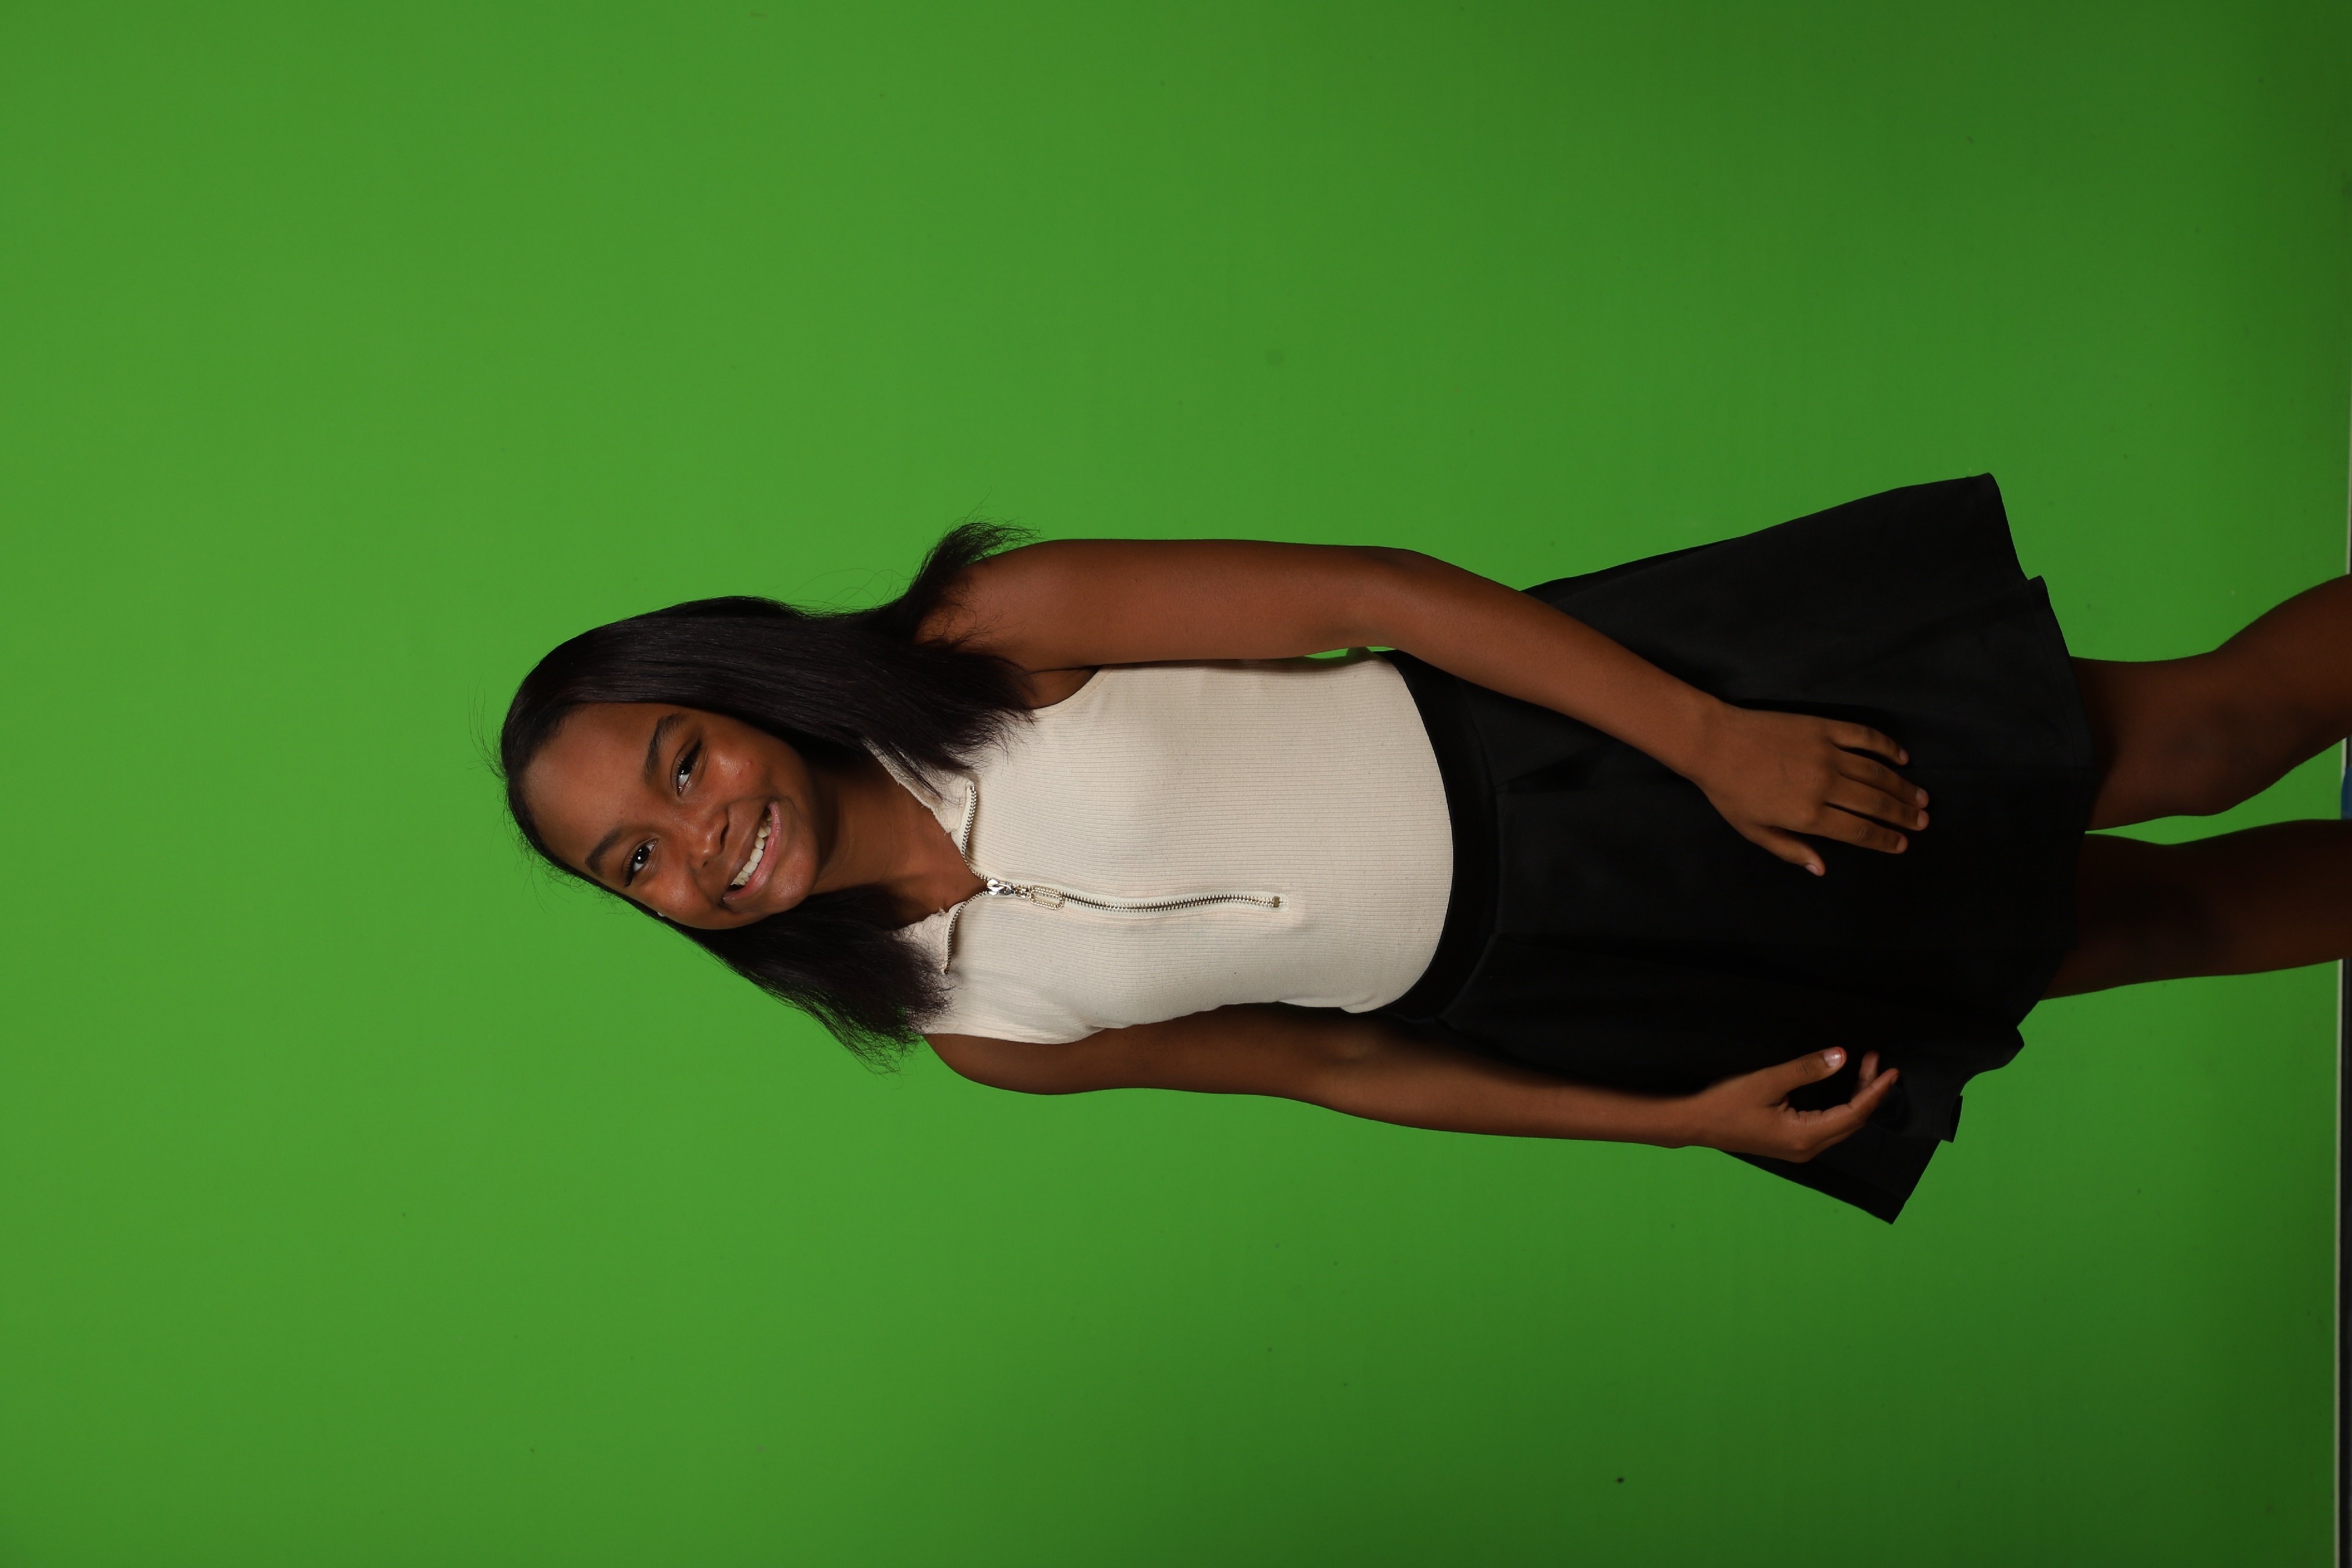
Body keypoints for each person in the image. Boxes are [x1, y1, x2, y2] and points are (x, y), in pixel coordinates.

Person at [500, 477, 2352, 1221]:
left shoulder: (992, 635)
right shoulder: (983, 1032)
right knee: (2133, 930)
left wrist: (1708, 739)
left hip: (1594, 744)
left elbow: (1371, 595)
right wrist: (1672, 1122)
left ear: (732, 688)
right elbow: (1342, 1066)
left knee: (2189, 742)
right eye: (634, 864)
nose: (696, 836)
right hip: (1579, 976)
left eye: (678, 760)